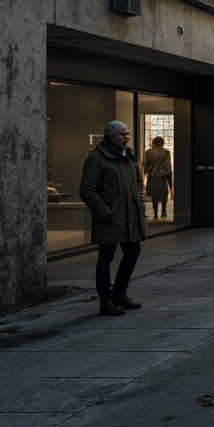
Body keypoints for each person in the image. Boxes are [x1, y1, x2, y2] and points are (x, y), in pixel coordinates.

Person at [78, 120, 147, 316]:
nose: (125, 138)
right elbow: (86, 190)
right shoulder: (97, 159)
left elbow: (138, 183)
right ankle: (105, 301)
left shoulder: (128, 156)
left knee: (133, 251)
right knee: (105, 259)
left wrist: (139, 203)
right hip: (110, 219)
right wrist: (106, 212)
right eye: (121, 134)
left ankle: (119, 293)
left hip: (129, 218)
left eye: (127, 134)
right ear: (109, 137)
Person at [143, 135, 173, 219]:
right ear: (162, 144)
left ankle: (155, 213)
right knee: (163, 194)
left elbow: (146, 165)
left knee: (154, 195)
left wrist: (145, 174)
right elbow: (168, 167)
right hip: (162, 176)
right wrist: (170, 182)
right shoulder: (166, 152)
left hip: (152, 176)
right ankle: (163, 212)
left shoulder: (148, 152)